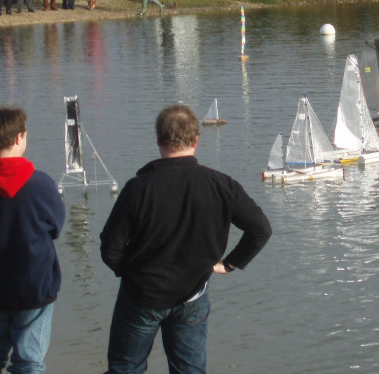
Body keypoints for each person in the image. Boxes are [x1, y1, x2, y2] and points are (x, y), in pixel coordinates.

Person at [100, 104, 272, 374]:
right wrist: (229, 264)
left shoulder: (138, 189)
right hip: (192, 294)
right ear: (195, 140)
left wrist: (129, 272)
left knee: (125, 368)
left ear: (158, 140)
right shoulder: (221, 185)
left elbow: (109, 248)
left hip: (141, 296)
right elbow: (260, 229)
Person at [0, 106, 66, 374]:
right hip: (33, 286)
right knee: (29, 361)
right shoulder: (41, 184)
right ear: (20, 138)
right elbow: (56, 226)